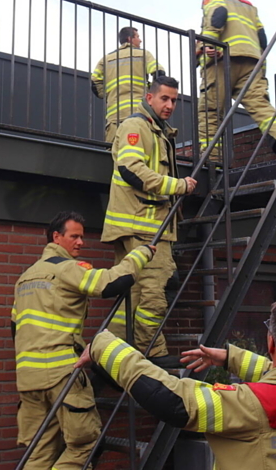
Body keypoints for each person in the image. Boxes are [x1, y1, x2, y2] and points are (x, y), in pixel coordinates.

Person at [77, 297, 276, 470]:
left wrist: (104, 345)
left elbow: (172, 400)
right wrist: (230, 358)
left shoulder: (251, 404)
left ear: (271, 342)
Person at [12, 211, 157, 470]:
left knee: (38, 451)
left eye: (82, 236)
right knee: (85, 445)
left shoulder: (25, 278)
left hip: (27, 378)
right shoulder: (67, 268)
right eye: (74, 236)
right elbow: (110, 283)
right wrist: (140, 254)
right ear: (56, 237)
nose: (81, 242)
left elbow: (15, 326)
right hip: (61, 373)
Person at [101, 76, 196, 366]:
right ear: (149, 97)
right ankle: (150, 353)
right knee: (158, 289)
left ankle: (108, 356)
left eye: (174, 100)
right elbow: (131, 169)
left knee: (134, 294)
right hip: (143, 226)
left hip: (146, 224)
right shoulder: (136, 126)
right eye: (164, 98)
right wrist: (177, 185)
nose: (169, 105)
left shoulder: (157, 130)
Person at [197, 0, 276, 161]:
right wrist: (262, 65)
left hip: (222, 60)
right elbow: (262, 37)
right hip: (252, 61)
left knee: (211, 110)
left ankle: (212, 159)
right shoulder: (248, 6)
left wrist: (209, 46)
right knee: (260, 104)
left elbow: (217, 15)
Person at [91, 26, 166, 143]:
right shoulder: (144, 54)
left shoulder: (106, 59)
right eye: (138, 37)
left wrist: (108, 95)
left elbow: (95, 83)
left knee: (113, 153)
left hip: (114, 117)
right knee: (138, 150)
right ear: (130, 39)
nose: (140, 40)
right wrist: (151, 93)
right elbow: (159, 74)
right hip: (138, 113)